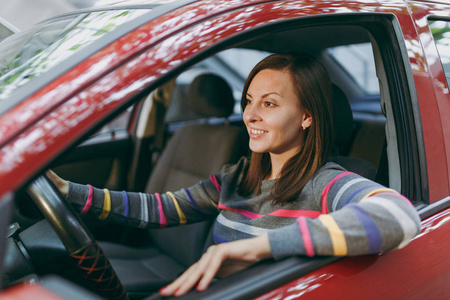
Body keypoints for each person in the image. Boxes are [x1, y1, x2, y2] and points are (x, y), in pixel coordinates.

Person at [48, 53, 421, 297]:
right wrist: (69, 191)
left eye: (269, 104)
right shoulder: (237, 177)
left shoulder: (325, 183)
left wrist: (258, 247)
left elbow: (399, 215)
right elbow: (162, 209)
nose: (250, 115)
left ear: (307, 116)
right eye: (249, 101)